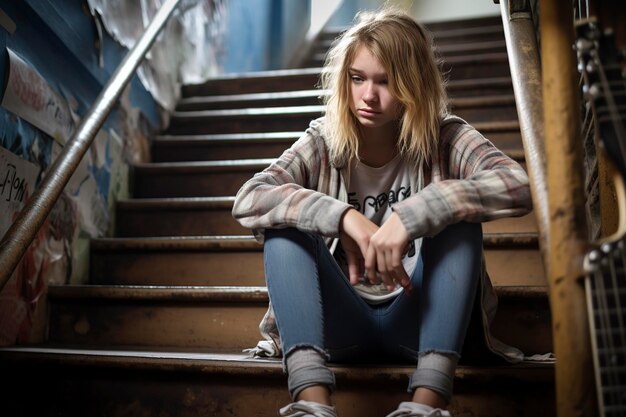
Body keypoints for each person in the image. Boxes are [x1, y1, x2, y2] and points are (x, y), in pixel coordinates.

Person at [232, 6, 531, 417]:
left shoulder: (445, 137)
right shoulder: (323, 141)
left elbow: (518, 184)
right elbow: (250, 197)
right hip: (339, 325)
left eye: (386, 82)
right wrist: (341, 215)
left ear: (413, 84)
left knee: (457, 217)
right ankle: (312, 403)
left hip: (421, 323)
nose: (368, 95)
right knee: (286, 225)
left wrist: (414, 213)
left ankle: (427, 403)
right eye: (357, 79)